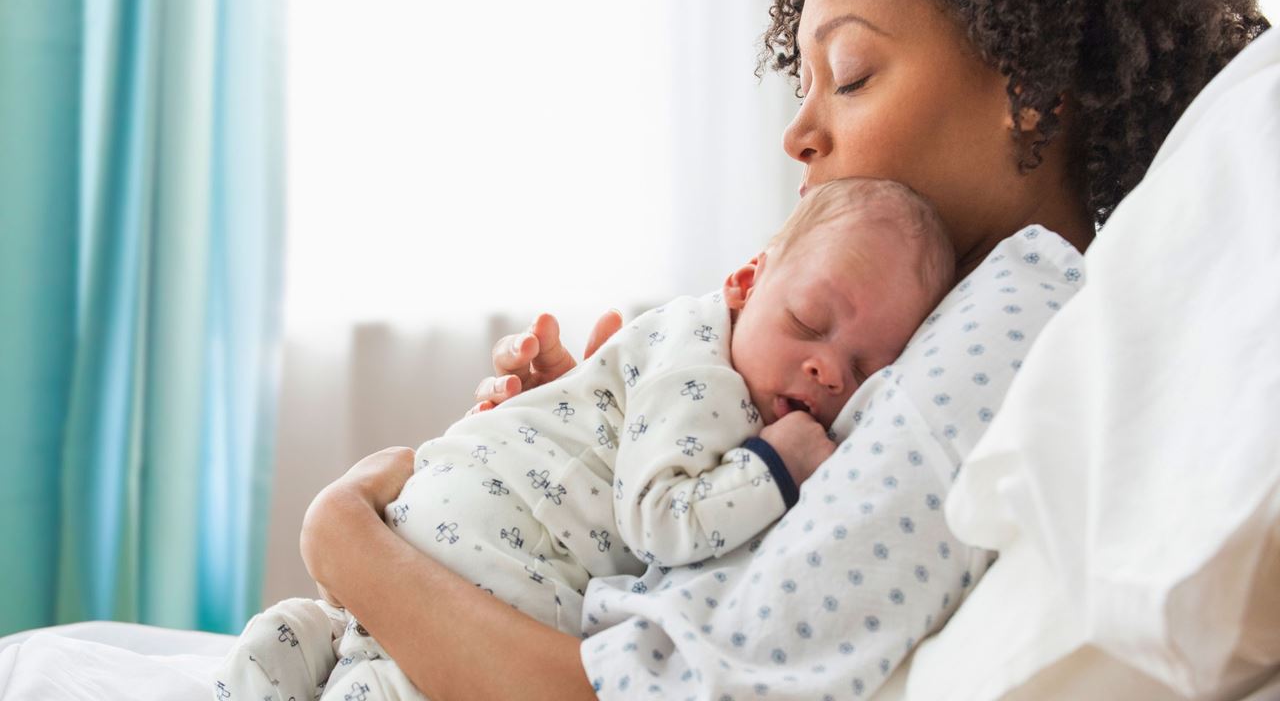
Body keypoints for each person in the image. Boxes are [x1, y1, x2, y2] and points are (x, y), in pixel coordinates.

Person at [297, 0, 1269, 699]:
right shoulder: (918, 335)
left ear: (1035, 89)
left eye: (846, 75)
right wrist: (584, 461)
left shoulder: (1008, 330)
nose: (797, 130)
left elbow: (671, 687)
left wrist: (349, 547)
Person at [218, 178, 954, 700]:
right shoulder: (710, 375)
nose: (829, 368)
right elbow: (664, 518)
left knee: (306, 639)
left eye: (864, 368)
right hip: (486, 572)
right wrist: (777, 464)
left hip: (429, 540)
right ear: (745, 282)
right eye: (808, 323)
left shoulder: (682, 341)